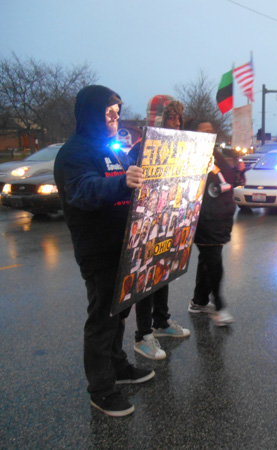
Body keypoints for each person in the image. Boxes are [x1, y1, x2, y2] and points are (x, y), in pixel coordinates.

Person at [54, 85, 154, 417]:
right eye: (108, 113)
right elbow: (83, 190)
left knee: (120, 309)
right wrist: (121, 181)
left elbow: (131, 179)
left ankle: (118, 366)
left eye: (117, 112)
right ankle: (101, 388)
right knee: (102, 317)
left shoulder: (110, 149)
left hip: (122, 244)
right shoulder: (74, 152)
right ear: (92, 114)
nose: (115, 118)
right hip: (97, 247)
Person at [130, 95, 190, 361]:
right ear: (159, 119)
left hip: (169, 221)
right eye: (171, 117)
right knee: (146, 280)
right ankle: (143, 335)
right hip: (146, 226)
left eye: (178, 117)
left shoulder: (178, 146)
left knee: (163, 272)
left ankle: (162, 322)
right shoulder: (140, 148)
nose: (177, 123)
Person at [186, 118, 244, 326]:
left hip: (220, 218)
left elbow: (226, 182)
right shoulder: (191, 156)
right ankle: (219, 305)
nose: (208, 134)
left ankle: (199, 301)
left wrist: (238, 173)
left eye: (211, 131)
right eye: (203, 131)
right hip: (204, 219)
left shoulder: (215, 155)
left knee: (207, 260)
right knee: (214, 262)